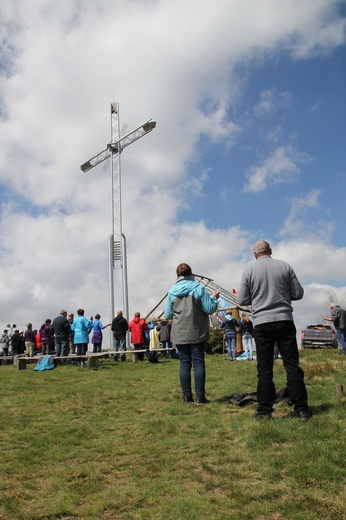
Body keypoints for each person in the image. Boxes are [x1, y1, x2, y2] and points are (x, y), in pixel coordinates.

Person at [237, 240, 312, 421]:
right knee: (291, 365)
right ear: (270, 251)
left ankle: (265, 411)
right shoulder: (285, 266)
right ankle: (301, 409)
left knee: (264, 367)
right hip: (284, 319)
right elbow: (298, 293)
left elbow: (242, 299)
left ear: (255, 255)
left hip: (262, 323)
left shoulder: (249, 271)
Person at [165, 263, 219, 405]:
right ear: (191, 273)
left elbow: (168, 314)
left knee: (184, 363)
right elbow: (209, 309)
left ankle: (186, 397)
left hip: (180, 332)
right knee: (198, 362)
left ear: (178, 275)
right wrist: (214, 298)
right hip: (197, 330)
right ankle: (200, 396)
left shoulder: (171, 291)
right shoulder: (199, 288)